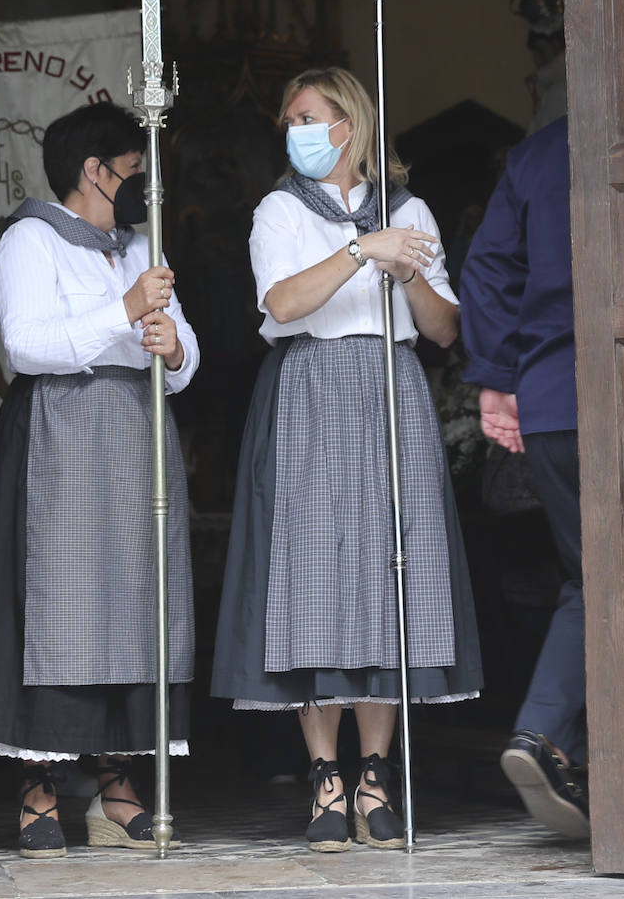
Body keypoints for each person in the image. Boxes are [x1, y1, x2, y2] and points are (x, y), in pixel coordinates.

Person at [211, 67, 482, 852]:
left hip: (391, 386)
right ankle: (323, 775)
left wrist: (406, 270)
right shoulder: (278, 210)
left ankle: (375, 773)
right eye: (289, 117)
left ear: (350, 125)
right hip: (310, 386)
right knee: (314, 577)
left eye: (308, 115)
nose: (293, 128)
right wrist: (365, 251)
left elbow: (441, 329)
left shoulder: (412, 209)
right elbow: (285, 304)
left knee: (391, 572)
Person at [0, 101, 199, 857]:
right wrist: (122, 311)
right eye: (134, 170)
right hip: (61, 431)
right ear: (94, 170)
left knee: (135, 599)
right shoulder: (31, 239)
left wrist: (175, 350)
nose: (144, 187)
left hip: (136, 432)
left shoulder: (134, 244)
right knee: (56, 604)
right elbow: (27, 346)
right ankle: (40, 787)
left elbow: (184, 347)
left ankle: (116, 786)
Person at [459, 115, 589, 838]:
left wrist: (497, 379)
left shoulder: (539, 150)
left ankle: (546, 734)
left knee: (592, 578)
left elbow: (488, 269)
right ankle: (553, 737)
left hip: (548, 399)